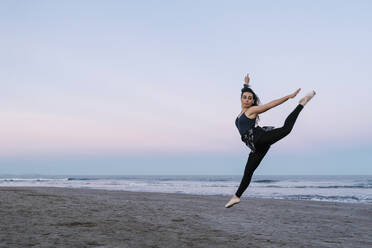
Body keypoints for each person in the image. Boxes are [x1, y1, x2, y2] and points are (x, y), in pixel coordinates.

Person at [225, 73, 316, 208]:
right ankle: (236, 197)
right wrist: (246, 84)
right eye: (245, 97)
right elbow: (244, 91)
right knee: (248, 172)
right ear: (241, 99)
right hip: (255, 147)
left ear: (252, 101)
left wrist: (288, 97)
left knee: (286, 129)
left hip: (258, 138)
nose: (247, 99)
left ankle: (301, 104)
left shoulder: (252, 110)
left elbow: (271, 105)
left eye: (250, 98)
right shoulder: (240, 114)